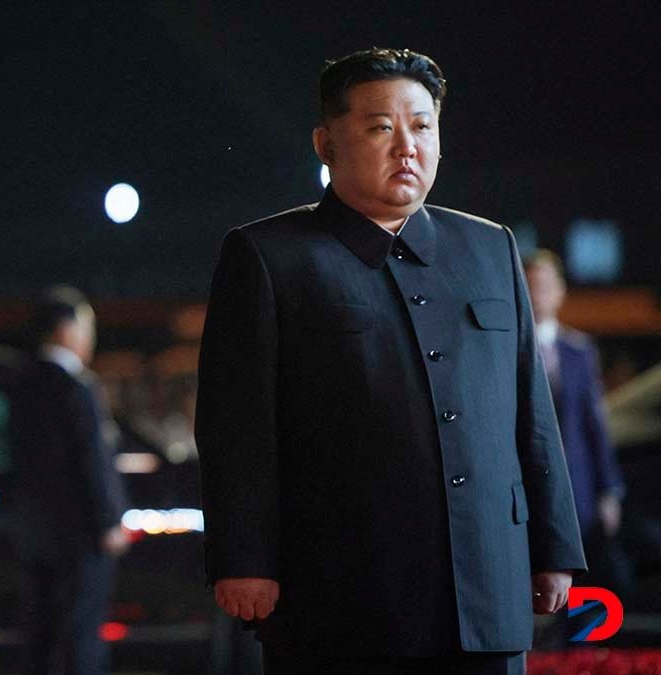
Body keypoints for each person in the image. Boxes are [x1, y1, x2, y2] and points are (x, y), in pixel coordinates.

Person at [195, 48, 586, 674]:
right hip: (341, 590)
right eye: (381, 127)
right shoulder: (268, 256)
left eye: (422, 126)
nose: (407, 145)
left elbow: (531, 413)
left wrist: (554, 547)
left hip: (487, 583)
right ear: (326, 143)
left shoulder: (491, 247)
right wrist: (244, 559)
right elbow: (235, 426)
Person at [10, 286, 130, 675]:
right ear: (66, 329)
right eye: (86, 326)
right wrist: (110, 520)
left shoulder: (21, 384)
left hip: (35, 533)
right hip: (81, 535)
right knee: (81, 633)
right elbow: (91, 460)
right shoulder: (76, 387)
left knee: (41, 635)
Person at [525, 250, 630, 590]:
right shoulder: (505, 348)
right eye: (530, 285)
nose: (537, 293)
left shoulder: (579, 350)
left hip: (576, 483)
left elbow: (593, 424)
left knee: (582, 582)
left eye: (544, 285)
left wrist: (608, 489)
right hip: (525, 482)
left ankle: (579, 643)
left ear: (560, 291)